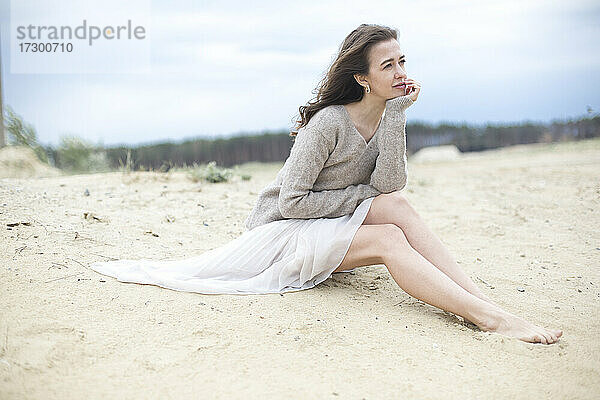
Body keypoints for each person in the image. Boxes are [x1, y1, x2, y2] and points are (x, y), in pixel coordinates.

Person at [90, 23, 563, 345]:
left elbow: (390, 184)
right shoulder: (328, 125)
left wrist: (396, 116)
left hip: (326, 227)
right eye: (388, 67)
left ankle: (478, 300)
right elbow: (292, 201)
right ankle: (490, 319)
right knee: (388, 236)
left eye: (402, 61)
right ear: (361, 78)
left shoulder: (386, 117)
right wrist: (362, 197)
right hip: (282, 235)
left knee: (398, 208)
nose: (401, 73)